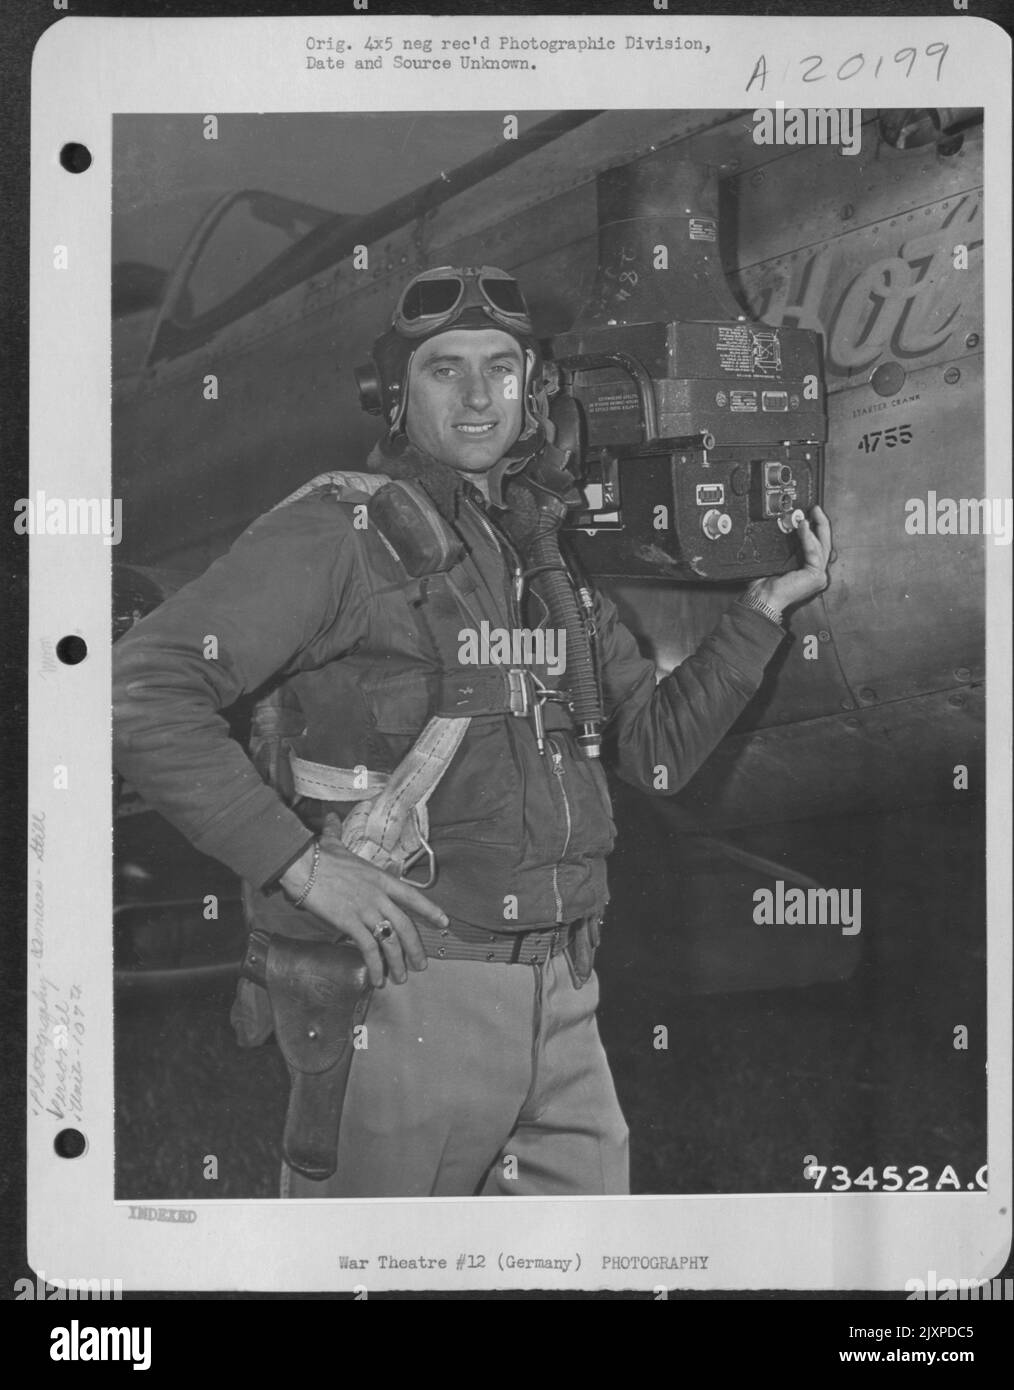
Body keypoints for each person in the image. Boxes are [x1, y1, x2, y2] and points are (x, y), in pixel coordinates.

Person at [113, 264, 832, 1199]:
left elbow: (656, 750)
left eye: (501, 366)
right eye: (444, 369)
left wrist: (762, 613)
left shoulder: (544, 561)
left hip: (566, 999)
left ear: (535, 390)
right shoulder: (341, 537)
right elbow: (140, 687)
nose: (479, 393)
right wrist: (299, 864)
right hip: (412, 993)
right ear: (395, 398)